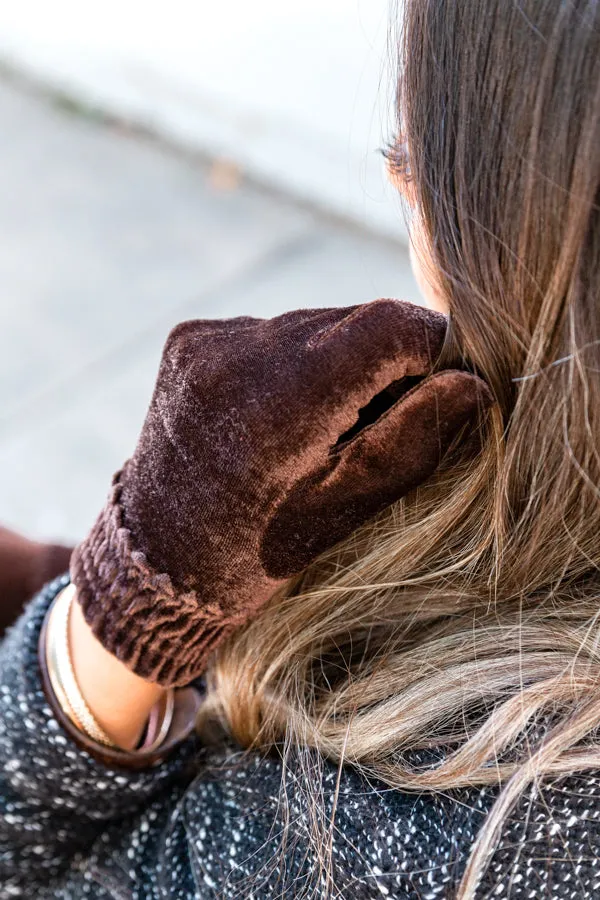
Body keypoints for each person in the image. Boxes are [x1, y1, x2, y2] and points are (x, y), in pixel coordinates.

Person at [1, 0, 599, 897]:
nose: (403, 189)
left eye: (418, 163)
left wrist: (122, 612)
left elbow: (41, 873)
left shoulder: (439, 823)